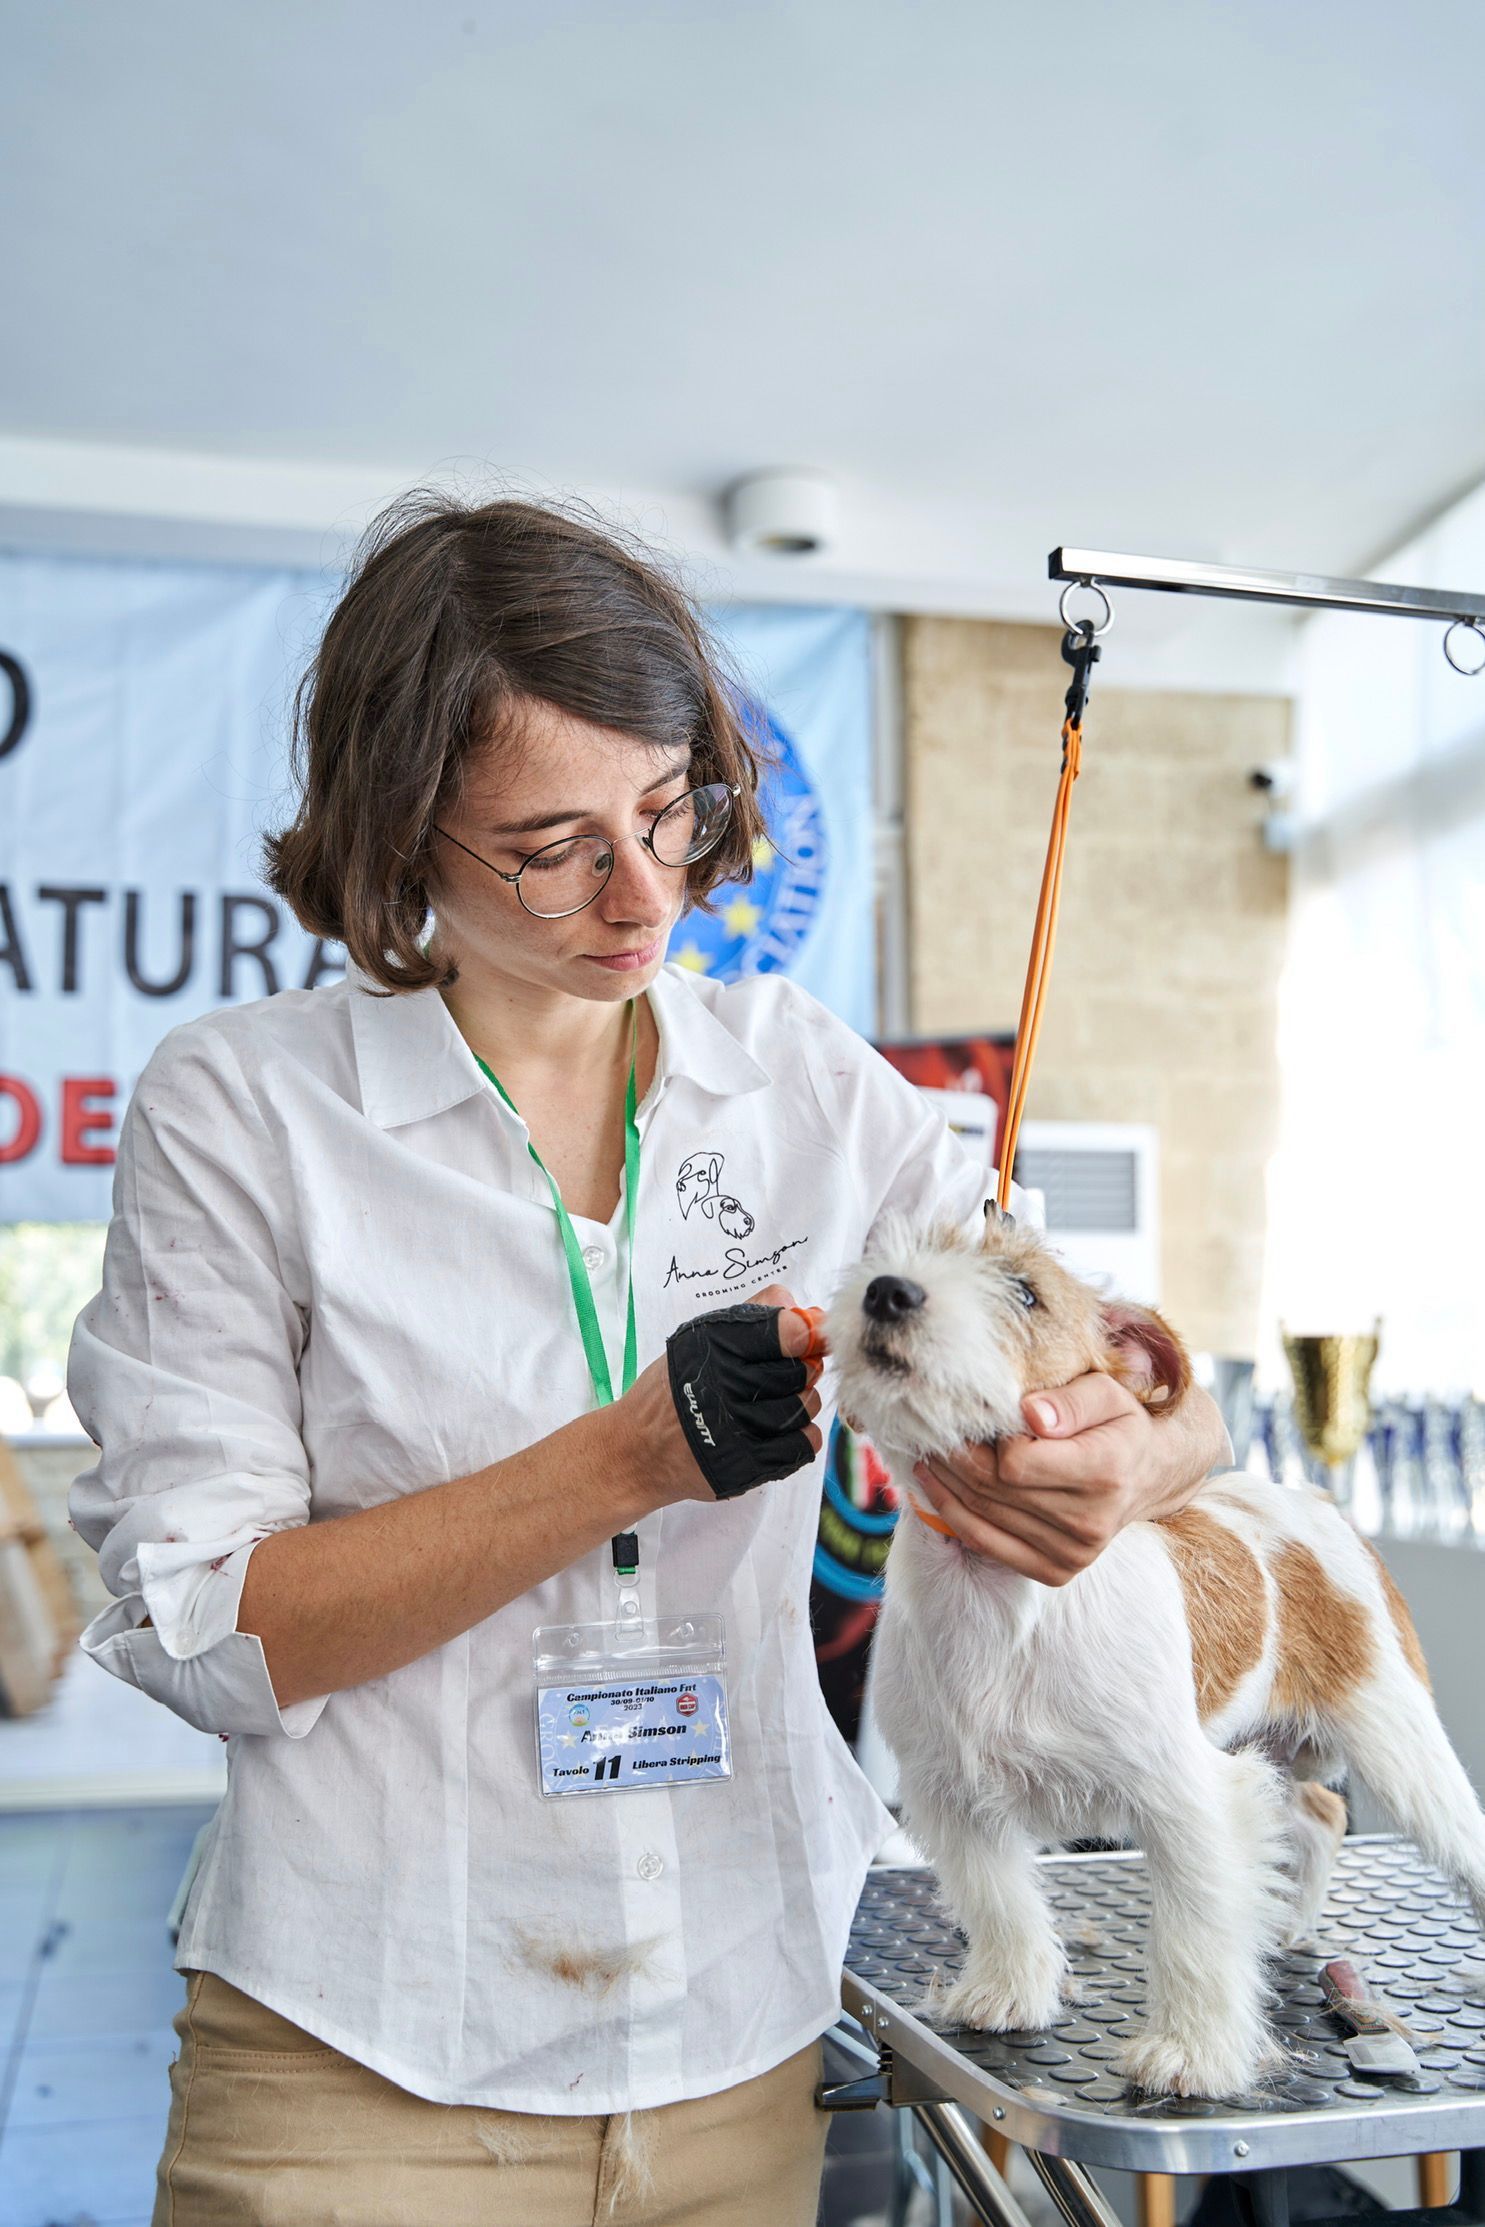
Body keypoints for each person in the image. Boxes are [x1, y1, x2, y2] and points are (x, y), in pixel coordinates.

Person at [67, 493, 1231, 2227]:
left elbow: (1106, 1363)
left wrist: (1133, 1454)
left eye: (669, 807)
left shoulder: (803, 1080)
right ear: (399, 839)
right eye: (550, 844)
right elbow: (211, 1634)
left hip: (736, 2045)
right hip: (367, 2067)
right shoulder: (243, 1111)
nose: (643, 892)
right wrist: (624, 1462)